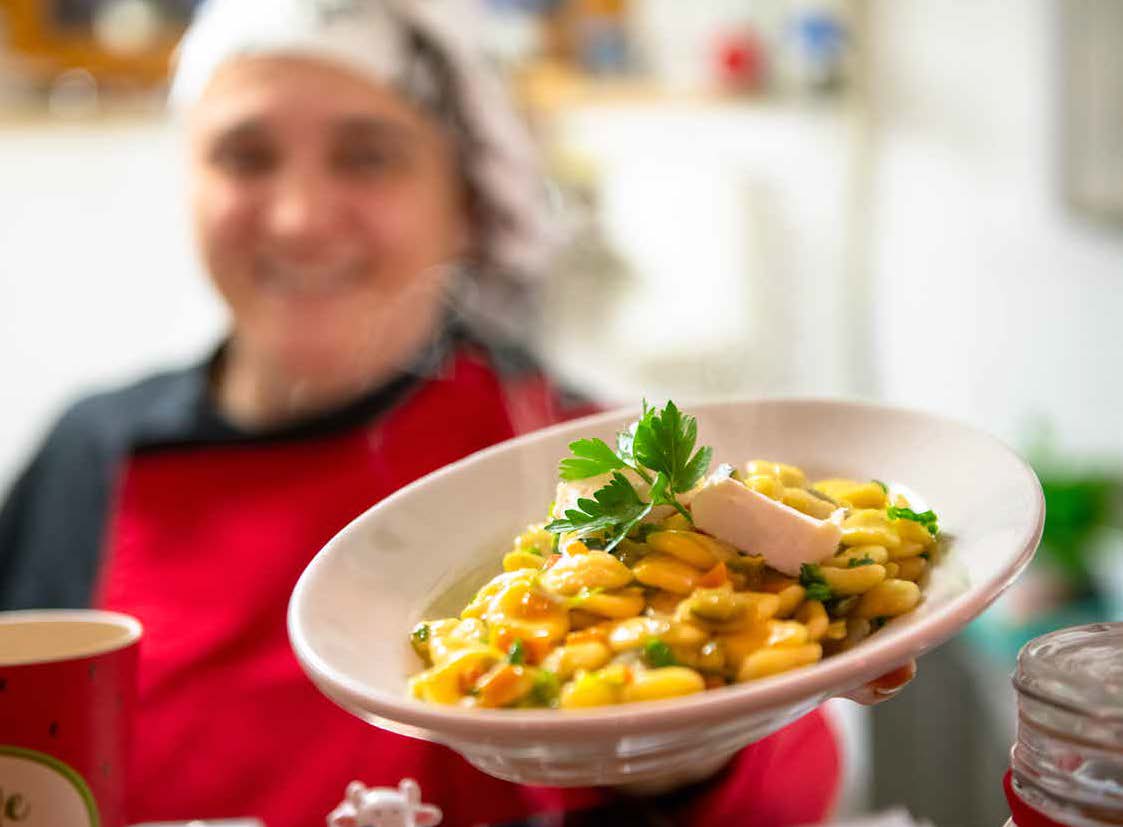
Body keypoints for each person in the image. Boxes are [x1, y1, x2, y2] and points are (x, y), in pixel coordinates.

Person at [0, 1, 910, 824]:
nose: (299, 216)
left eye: (367, 156)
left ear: (467, 200)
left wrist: (680, 754)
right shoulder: (93, 451)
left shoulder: (592, 458)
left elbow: (787, 794)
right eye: (244, 155)